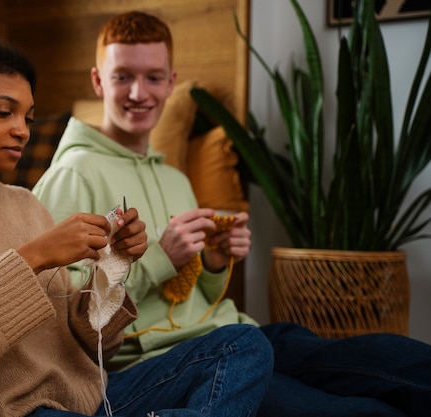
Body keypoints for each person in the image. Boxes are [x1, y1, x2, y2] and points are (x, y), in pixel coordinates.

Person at [33, 10, 431, 417]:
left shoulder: (174, 177)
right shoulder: (73, 174)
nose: (139, 92)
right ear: (98, 81)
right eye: (122, 77)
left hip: (240, 333)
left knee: (396, 358)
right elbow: (61, 306)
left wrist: (213, 262)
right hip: (172, 361)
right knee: (371, 412)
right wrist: (160, 258)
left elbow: (191, 295)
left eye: (153, 77)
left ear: (172, 82)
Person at [0, 37, 273, 417]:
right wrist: (34, 256)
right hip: (8, 409)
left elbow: (86, 338)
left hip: (90, 398)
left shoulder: (26, 203)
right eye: (4, 112)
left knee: (244, 344)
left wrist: (114, 265)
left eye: (28, 117)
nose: (22, 130)